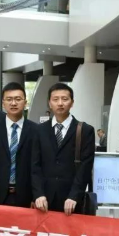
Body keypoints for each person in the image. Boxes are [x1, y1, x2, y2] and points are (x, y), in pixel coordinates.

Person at [31, 83, 95, 215]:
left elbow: (85, 167)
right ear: (49, 103)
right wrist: (39, 194)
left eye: (65, 99)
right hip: (44, 201)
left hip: (72, 201)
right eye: (55, 99)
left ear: (72, 103)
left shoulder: (85, 130)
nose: (60, 103)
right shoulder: (39, 130)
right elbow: (34, 166)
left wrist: (74, 196)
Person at [0, 83, 37, 207]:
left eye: (18, 99)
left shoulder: (36, 130)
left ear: (25, 102)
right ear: (3, 103)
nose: (13, 103)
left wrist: (36, 196)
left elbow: (38, 167)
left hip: (27, 198)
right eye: (9, 99)